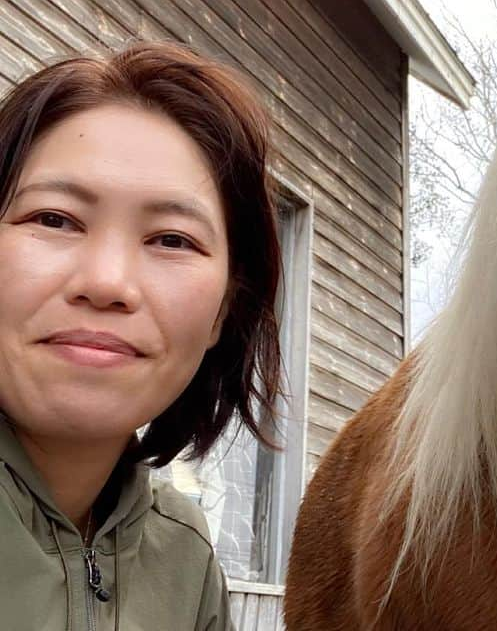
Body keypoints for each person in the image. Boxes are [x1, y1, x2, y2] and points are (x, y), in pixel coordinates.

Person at [0, 42, 284, 630]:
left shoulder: (185, 558)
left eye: (172, 239)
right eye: (53, 219)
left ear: (222, 312)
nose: (107, 282)